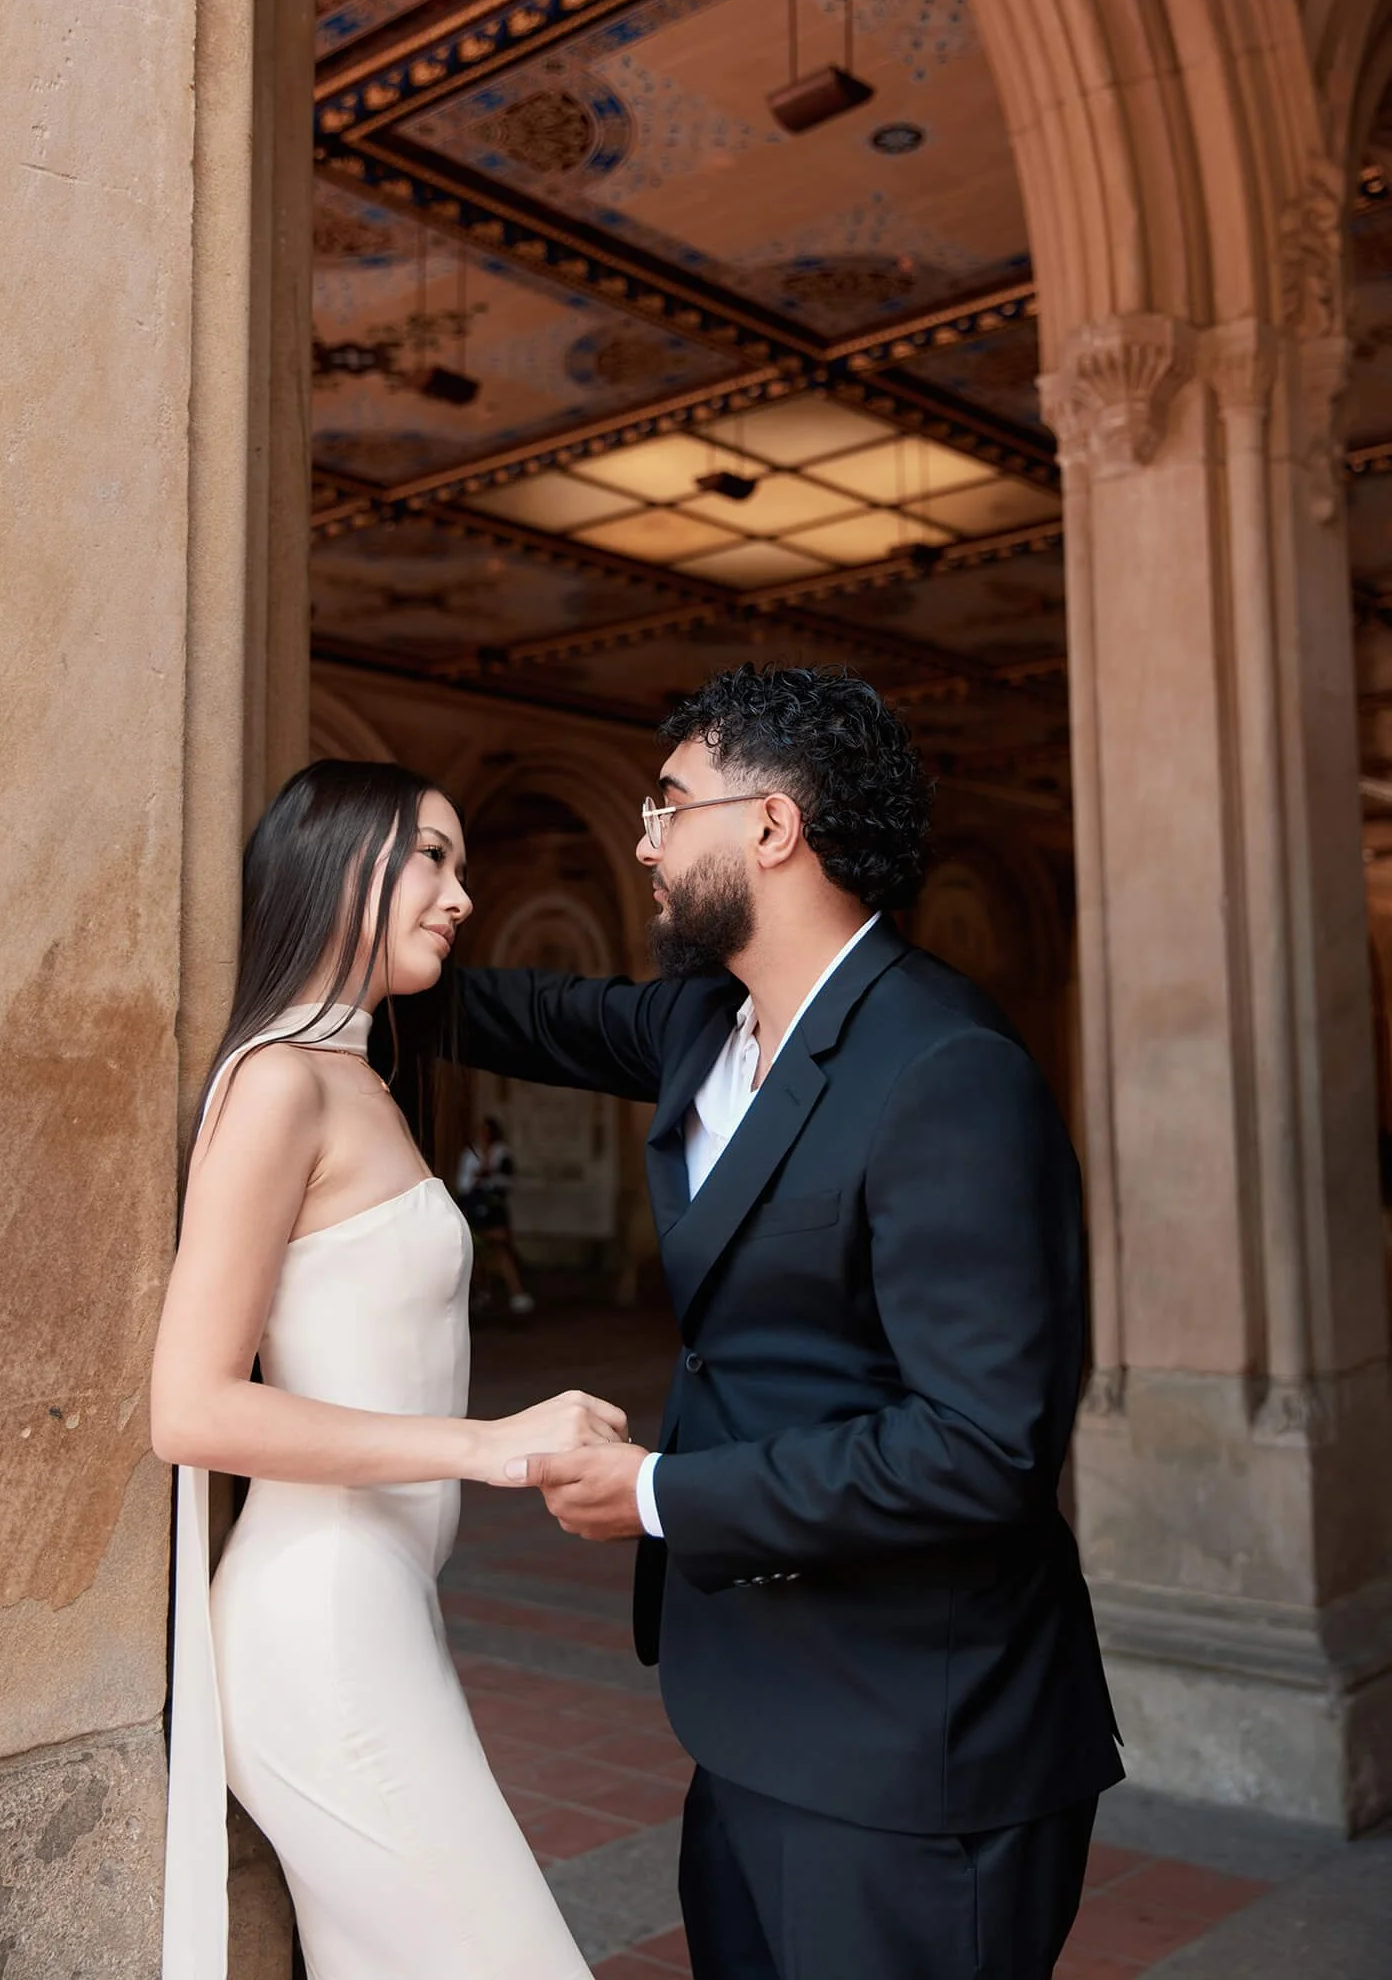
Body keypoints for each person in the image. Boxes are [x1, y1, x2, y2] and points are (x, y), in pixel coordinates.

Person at [423, 665, 1124, 1980]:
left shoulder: (947, 1070)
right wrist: (347, 929)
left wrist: (658, 1494)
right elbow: (514, 1012)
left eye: (669, 803)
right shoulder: (705, 1021)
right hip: (752, 1715)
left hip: (921, 1749)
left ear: (771, 827)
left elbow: (980, 1449)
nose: (642, 837)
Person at [151, 759, 622, 1980]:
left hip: (386, 1608)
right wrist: (493, 1442)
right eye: (434, 856)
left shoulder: (362, 1075)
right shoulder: (278, 1080)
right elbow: (192, 1405)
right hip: (319, 1627)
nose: (461, 893)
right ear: (332, 862)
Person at [456, 1115, 535, 1318]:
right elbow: (464, 1183)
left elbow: (508, 1180)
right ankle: (482, 1293)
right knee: (477, 1252)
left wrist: (490, 1175)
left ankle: (516, 1293)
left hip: (494, 1207)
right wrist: (478, 1177)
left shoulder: (502, 1153)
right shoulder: (470, 1155)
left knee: (501, 1247)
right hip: (475, 1205)